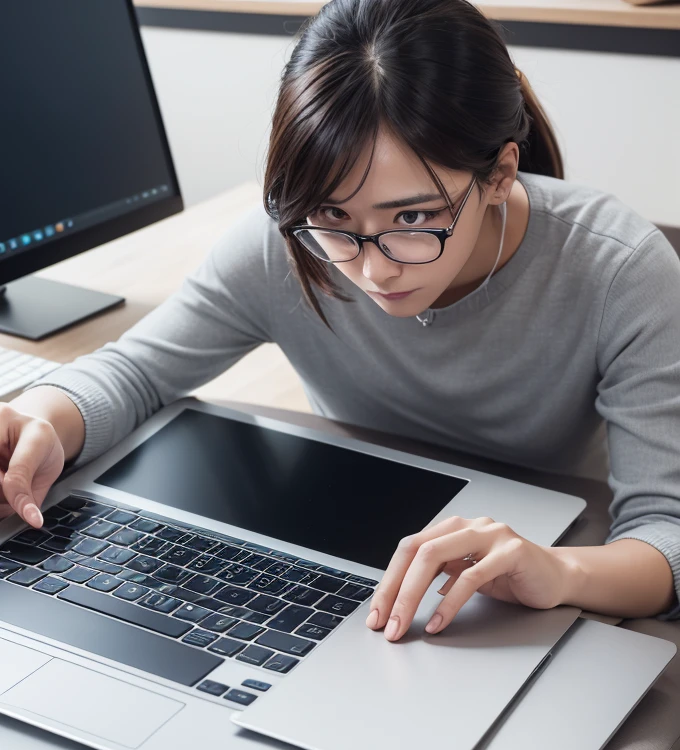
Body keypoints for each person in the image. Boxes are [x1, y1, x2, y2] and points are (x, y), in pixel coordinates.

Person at [1, 0, 679, 641]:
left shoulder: (618, 269)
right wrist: (43, 418)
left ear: (501, 173)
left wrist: (559, 571)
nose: (373, 269)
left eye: (412, 219)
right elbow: (137, 371)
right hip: (355, 550)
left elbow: (666, 537)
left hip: (535, 571)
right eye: (334, 219)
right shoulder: (286, 245)